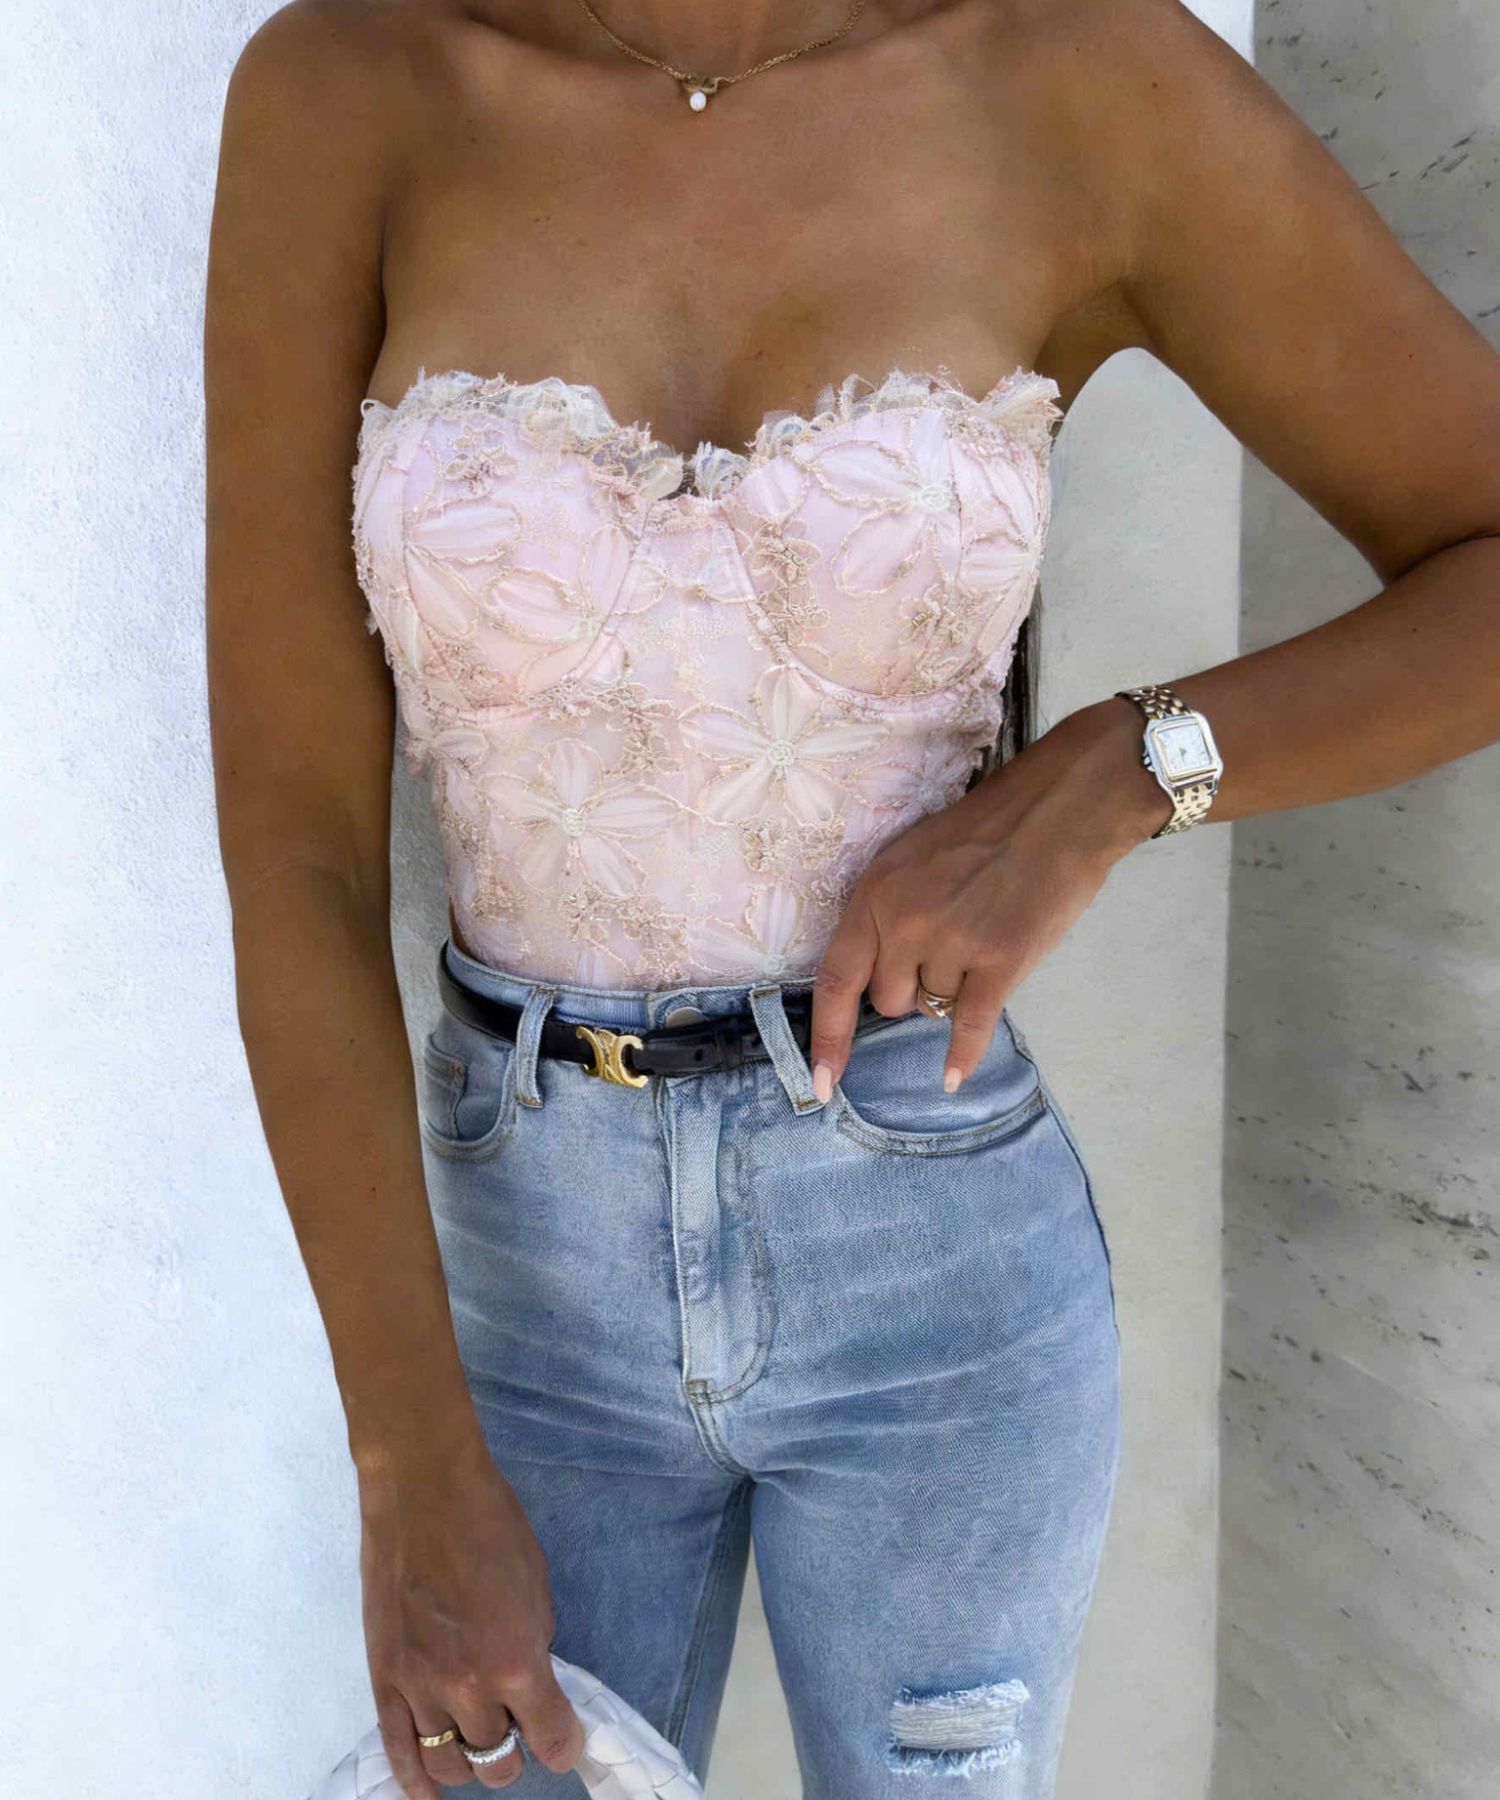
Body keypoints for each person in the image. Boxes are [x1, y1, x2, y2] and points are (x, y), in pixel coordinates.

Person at [203, 2, 1500, 1795]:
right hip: (511, 1289)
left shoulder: (1076, 77)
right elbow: (299, 852)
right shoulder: (354, 87)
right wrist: (404, 1464)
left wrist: (1113, 774)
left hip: (934, 1266)